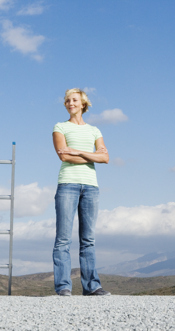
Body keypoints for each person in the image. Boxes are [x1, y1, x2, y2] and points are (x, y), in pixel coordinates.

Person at [51, 88, 111, 296]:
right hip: (68, 184)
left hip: (91, 186)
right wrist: (90, 155)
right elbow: (64, 157)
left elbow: (105, 158)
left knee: (88, 239)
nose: (70, 103)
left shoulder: (95, 130)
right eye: (67, 100)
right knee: (63, 239)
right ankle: (64, 287)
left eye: (74, 100)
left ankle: (92, 287)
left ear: (83, 104)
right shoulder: (60, 127)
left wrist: (76, 151)